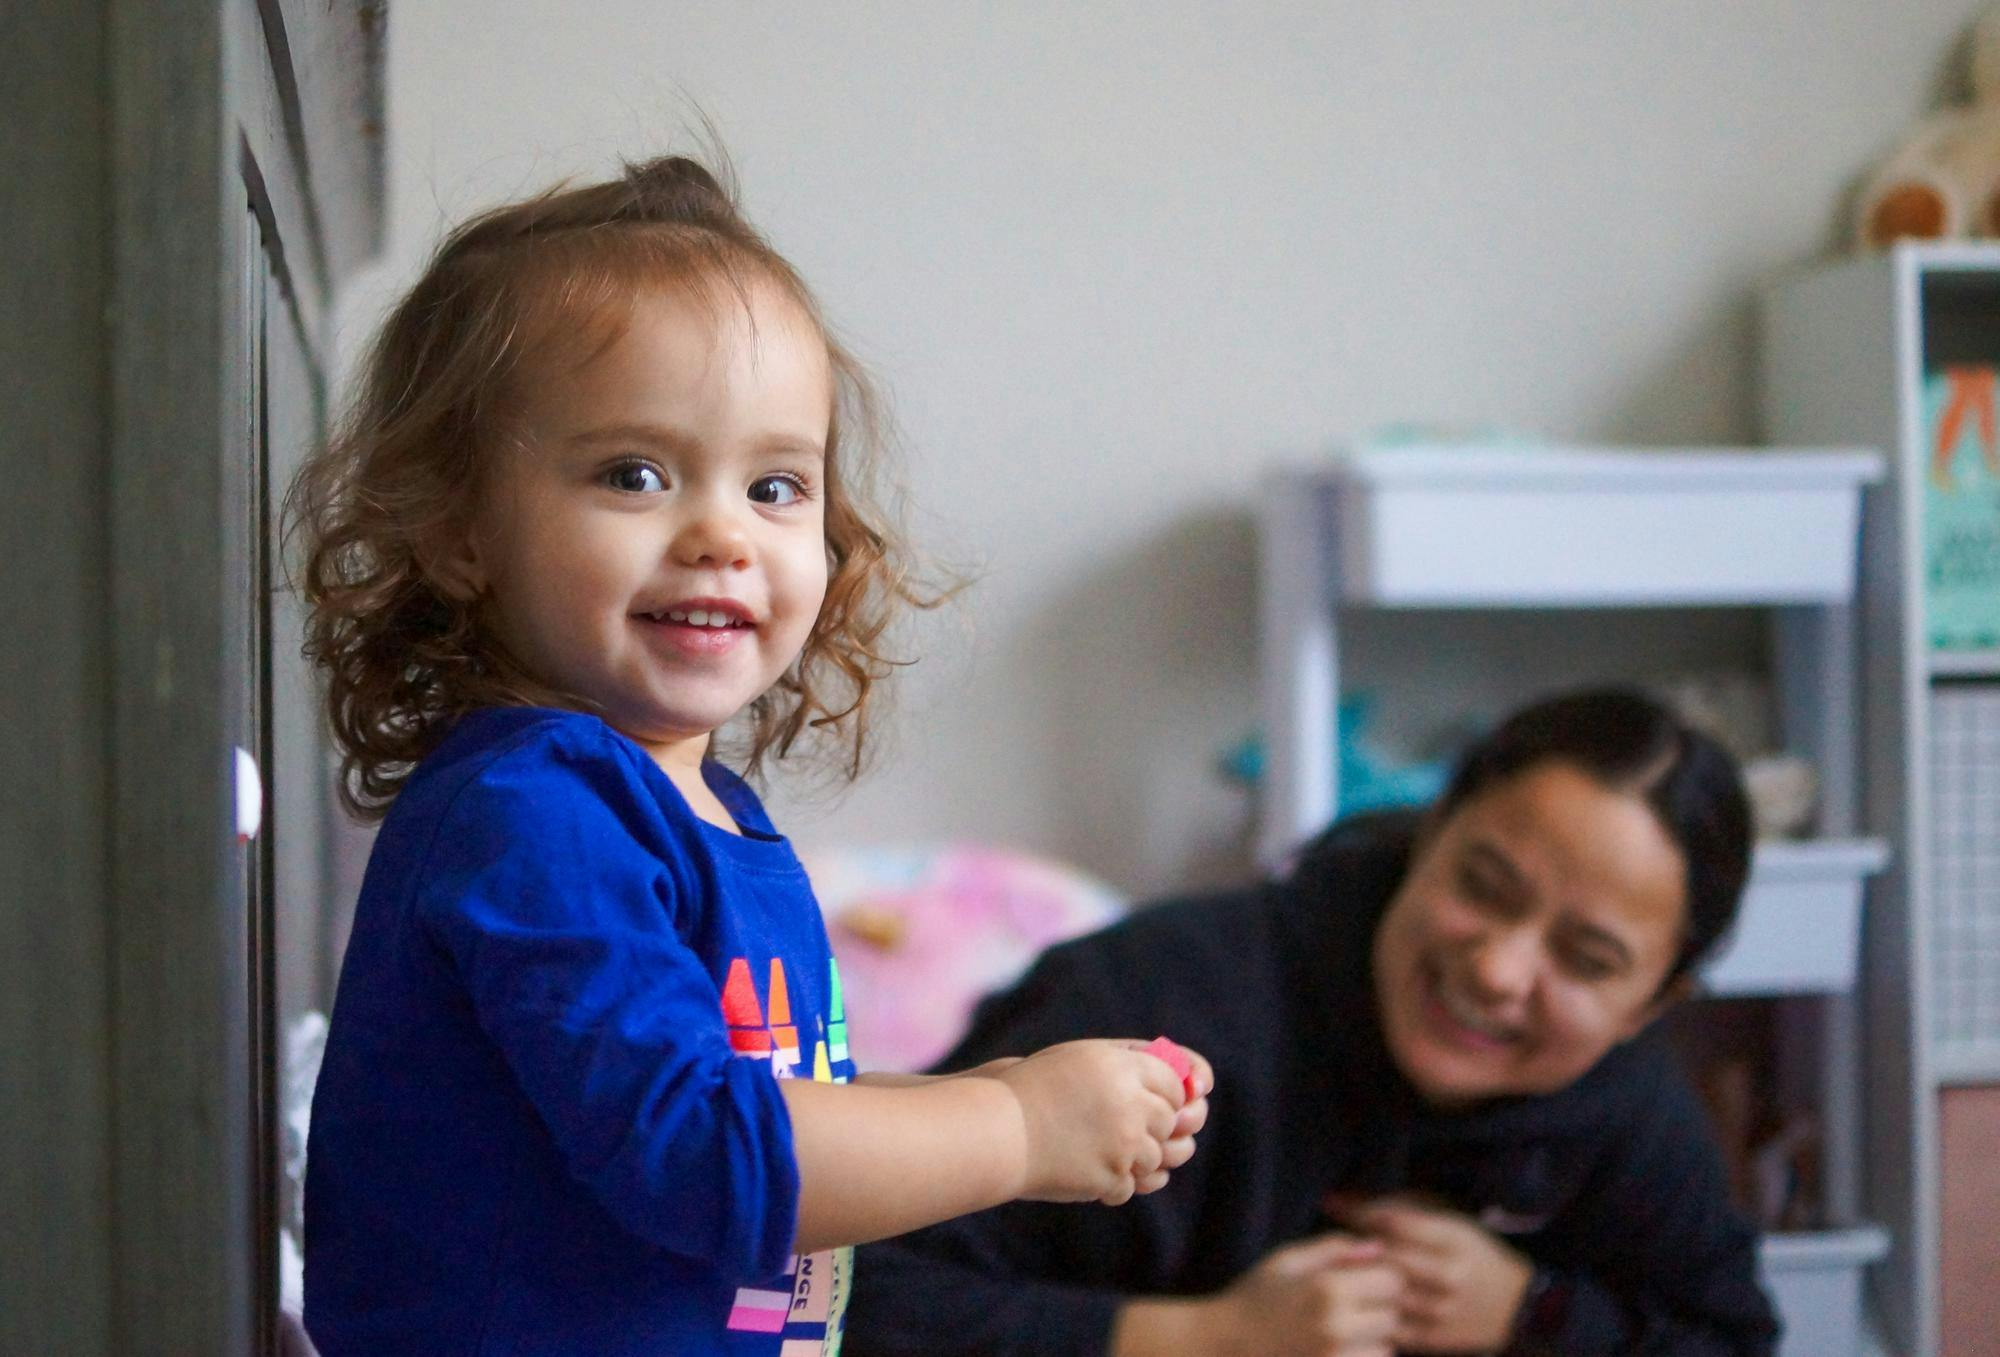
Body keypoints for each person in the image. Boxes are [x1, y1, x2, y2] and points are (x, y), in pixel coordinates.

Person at [292, 155, 1211, 1357]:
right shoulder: (533, 816)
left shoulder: (698, 805)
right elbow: (697, 1150)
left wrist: (994, 1102)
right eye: (635, 474)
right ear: (461, 533)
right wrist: (1013, 1127)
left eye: (776, 485)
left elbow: (766, 1110)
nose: (723, 533)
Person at [847, 687, 1783, 1357]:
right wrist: (1202, 1338)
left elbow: (1732, 1332)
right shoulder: (1152, 1004)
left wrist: (1530, 1313)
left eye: (1586, 960)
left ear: (1654, 1004)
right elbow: (850, 1293)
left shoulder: (1626, 1111)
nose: (1499, 970)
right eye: (1482, 887)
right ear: (1431, 827)